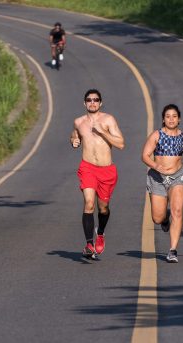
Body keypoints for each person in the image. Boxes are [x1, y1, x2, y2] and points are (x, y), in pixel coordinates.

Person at [141, 104, 183, 263]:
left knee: (177, 211)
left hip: (178, 176)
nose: (171, 119)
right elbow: (144, 155)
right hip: (157, 177)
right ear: (163, 119)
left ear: (179, 119)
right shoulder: (156, 135)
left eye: (174, 116)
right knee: (157, 218)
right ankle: (164, 220)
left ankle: (172, 250)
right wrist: (156, 165)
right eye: (168, 116)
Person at [70, 89, 125, 259]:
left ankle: (100, 233)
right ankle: (88, 244)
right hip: (87, 168)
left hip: (106, 170)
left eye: (95, 100)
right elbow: (74, 135)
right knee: (88, 203)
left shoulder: (108, 120)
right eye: (89, 100)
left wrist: (102, 132)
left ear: (100, 103)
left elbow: (121, 144)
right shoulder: (79, 121)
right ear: (84, 103)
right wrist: (74, 140)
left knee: (103, 208)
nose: (92, 103)